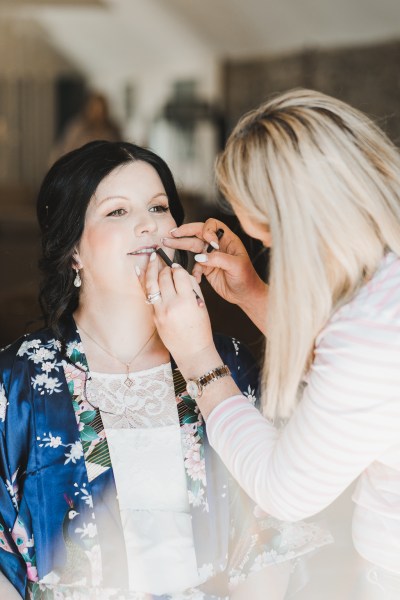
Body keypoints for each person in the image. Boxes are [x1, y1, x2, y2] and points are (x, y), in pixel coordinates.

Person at [0, 140, 329, 600]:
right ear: (72, 249)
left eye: (159, 207)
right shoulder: (18, 382)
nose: (148, 225)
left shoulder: (226, 361)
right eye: (117, 212)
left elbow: (270, 528)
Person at [145, 89, 400, 599]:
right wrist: (254, 294)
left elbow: (287, 491)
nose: (265, 248)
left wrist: (198, 360)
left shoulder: (372, 333)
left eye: (270, 237)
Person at [49, 92, 122, 164]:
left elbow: (118, 150)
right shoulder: (77, 128)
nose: (97, 113)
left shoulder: (112, 129)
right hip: (81, 168)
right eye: (94, 109)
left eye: (100, 109)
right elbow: (66, 150)